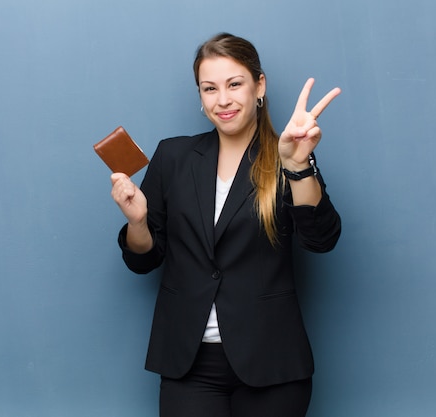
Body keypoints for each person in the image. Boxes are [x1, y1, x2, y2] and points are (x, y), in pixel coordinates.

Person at [109, 33, 342, 417]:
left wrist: (298, 166)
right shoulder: (173, 156)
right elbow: (143, 260)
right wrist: (137, 223)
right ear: (200, 95)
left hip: (272, 363)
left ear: (259, 85)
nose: (223, 100)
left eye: (235, 84)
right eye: (209, 88)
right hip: (189, 363)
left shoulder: (286, 154)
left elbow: (321, 240)